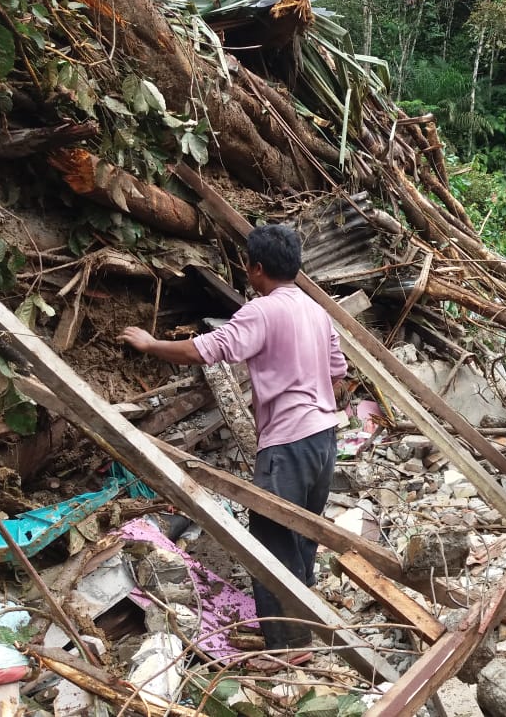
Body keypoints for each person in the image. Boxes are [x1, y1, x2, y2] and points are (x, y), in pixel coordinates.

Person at [118, 224, 347, 662]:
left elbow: (204, 350)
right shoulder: (318, 312)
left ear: (256, 268)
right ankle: (307, 617)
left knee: (269, 537)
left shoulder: (261, 311)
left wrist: (150, 344)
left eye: (248, 265)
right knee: (302, 528)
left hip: (288, 440)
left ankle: (291, 644)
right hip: (323, 436)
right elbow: (337, 370)